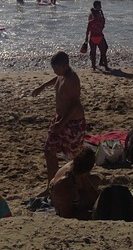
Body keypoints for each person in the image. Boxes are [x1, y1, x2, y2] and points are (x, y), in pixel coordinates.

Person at [31, 52, 86, 183]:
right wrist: (42, 86)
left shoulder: (72, 79)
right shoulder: (61, 75)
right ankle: (51, 184)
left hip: (72, 122)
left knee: (75, 158)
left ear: (66, 65)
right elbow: (57, 79)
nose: (54, 71)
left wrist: (62, 123)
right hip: (59, 119)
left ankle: (80, 183)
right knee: (49, 150)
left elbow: (75, 105)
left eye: (56, 68)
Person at [48, 147, 101, 220]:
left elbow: (94, 195)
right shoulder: (65, 183)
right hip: (60, 195)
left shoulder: (79, 170)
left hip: (73, 185)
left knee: (96, 180)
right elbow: (66, 214)